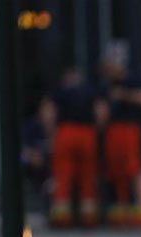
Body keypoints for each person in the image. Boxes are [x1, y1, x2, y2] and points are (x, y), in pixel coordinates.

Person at [50, 67, 104, 227]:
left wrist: (52, 132)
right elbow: (101, 112)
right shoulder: (90, 91)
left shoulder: (60, 92)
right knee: (87, 176)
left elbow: (49, 112)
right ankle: (88, 217)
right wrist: (98, 131)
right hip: (87, 133)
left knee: (63, 175)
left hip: (66, 132)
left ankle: (61, 217)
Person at [101, 58, 141, 227]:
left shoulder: (132, 80)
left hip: (130, 129)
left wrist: (124, 95)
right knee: (116, 171)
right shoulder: (107, 84)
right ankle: (121, 210)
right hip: (113, 130)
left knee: (133, 169)